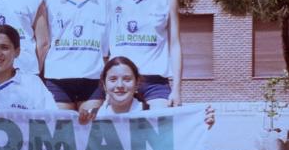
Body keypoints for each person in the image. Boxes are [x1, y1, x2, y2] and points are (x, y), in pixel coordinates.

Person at [108, 0, 182, 109]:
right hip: (121, 82)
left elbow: (175, 45)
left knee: (159, 131)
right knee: (120, 134)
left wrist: (177, 89)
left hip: (155, 83)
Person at [43, 0, 109, 112]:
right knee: (61, 137)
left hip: (92, 81)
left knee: (90, 136)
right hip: (58, 80)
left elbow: (106, 50)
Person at [79, 56, 214, 128]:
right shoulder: (90, 117)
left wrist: (202, 124)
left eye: (127, 79)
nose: (119, 85)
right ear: (104, 84)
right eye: (113, 79)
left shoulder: (153, 114)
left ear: (137, 83)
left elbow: (181, 136)